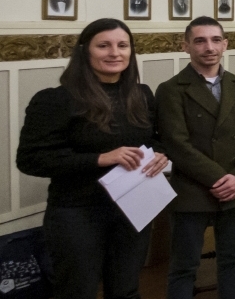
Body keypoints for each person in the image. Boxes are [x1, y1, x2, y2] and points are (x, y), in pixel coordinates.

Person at [17, 19, 170, 299]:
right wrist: (100, 158)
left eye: (122, 45)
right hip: (77, 212)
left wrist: (161, 154)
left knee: (126, 290)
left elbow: (155, 139)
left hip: (134, 206)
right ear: (85, 51)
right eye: (104, 45)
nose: (115, 52)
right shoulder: (55, 100)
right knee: (77, 292)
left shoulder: (142, 95)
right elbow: (31, 159)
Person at [155, 17, 235, 299]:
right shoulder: (171, 89)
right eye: (200, 40)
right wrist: (218, 178)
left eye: (215, 40)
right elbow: (176, 144)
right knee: (184, 266)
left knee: (232, 260)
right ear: (185, 46)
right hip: (192, 190)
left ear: (225, 44)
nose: (209, 47)